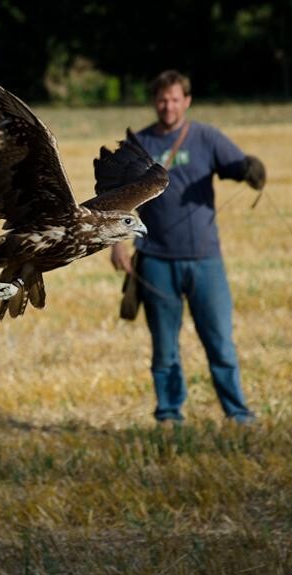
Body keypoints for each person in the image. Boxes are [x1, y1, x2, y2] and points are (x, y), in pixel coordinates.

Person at [111, 70, 266, 425]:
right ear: (155, 101)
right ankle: (169, 415)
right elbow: (117, 198)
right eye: (163, 99)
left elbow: (238, 167)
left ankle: (238, 413)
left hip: (204, 260)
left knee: (221, 344)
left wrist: (252, 170)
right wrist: (119, 244)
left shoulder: (206, 137)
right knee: (164, 350)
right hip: (154, 260)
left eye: (175, 99)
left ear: (187, 101)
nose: (168, 106)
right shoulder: (139, 142)